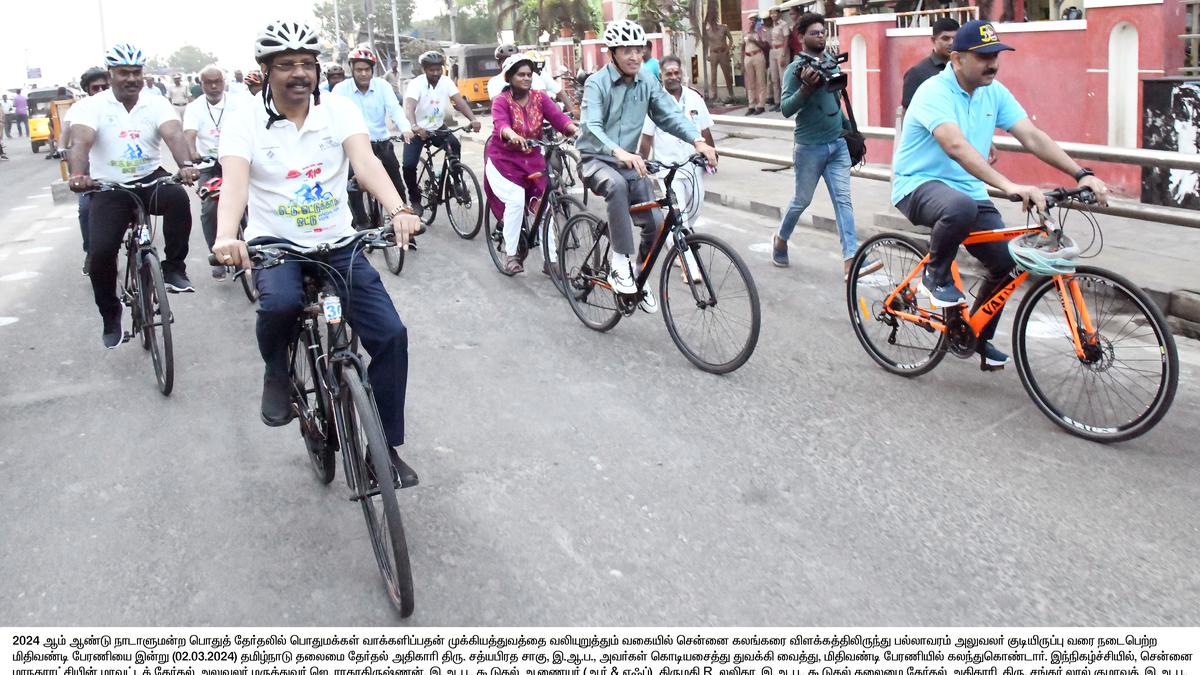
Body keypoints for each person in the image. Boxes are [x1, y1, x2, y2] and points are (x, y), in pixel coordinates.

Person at [210, 20, 422, 486]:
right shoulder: (244, 117)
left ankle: (382, 451)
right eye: (286, 65)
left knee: (390, 335)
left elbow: (365, 163)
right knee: (282, 305)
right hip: (277, 246)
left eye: (307, 63)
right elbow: (236, 183)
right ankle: (276, 372)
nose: (298, 73)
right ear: (266, 70)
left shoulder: (339, 109)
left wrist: (399, 208)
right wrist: (228, 235)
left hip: (338, 242)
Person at [892, 20, 1110, 368]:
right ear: (959, 58)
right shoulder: (934, 91)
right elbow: (955, 146)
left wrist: (1080, 174)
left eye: (996, 55)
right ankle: (935, 274)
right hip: (917, 184)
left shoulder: (993, 91)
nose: (992, 63)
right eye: (983, 57)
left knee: (1007, 262)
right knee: (959, 208)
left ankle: (975, 336)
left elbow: (1032, 136)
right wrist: (1009, 185)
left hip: (968, 190)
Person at [576, 19, 718, 312]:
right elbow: (592, 127)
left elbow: (668, 115)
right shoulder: (596, 83)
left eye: (638, 50)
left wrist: (697, 141)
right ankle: (620, 264)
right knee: (616, 186)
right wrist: (618, 151)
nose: (633, 56)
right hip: (596, 159)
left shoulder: (647, 81)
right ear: (612, 53)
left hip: (631, 163)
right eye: (626, 50)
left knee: (655, 224)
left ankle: (638, 275)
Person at [67, 43, 200, 348]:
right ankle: (110, 314)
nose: (131, 79)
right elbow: (81, 143)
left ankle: (174, 268)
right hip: (108, 187)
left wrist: (186, 165)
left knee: (179, 198)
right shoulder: (92, 106)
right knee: (101, 254)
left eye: (136, 73)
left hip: (149, 179)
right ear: (111, 74)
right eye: (124, 73)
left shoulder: (156, 103)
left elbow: (173, 135)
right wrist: (78, 175)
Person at [770, 13, 864, 279]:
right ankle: (780, 238)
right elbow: (786, 108)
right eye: (814, 32)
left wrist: (849, 130)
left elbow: (835, 100)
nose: (820, 35)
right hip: (809, 147)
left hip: (837, 145)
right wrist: (805, 91)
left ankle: (850, 261)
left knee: (843, 201)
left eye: (822, 31)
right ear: (801, 38)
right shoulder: (795, 69)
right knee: (801, 200)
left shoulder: (831, 62)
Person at [484, 53, 579, 274]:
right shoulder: (501, 100)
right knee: (516, 201)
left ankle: (551, 261)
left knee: (544, 207)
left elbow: (558, 118)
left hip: (532, 160)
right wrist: (511, 135)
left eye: (529, 74)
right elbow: (501, 125)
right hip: (504, 162)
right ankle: (511, 254)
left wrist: (574, 130)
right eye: (521, 75)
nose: (526, 78)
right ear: (509, 77)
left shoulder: (540, 98)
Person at [333, 45, 411, 229]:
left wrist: (405, 128)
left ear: (372, 70)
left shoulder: (382, 86)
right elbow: (332, 116)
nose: (363, 74)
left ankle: (402, 222)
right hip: (354, 149)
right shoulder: (340, 90)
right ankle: (362, 224)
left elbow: (394, 109)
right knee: (352, 188)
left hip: (380, 143)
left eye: (367, 69)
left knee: (397, 185)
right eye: (359, 69)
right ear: (351, 69)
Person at [639, 55, 715, 233]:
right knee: (681, 218)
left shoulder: (694, 97)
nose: (673, 76)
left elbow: (705, 130)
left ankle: (671, 239)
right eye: (668, 73)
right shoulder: (654, 102)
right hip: (669, 170)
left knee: (695, 209)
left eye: (676, 72)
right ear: (661, 76)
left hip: (693, 167)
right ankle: (685, 258)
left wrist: (712, 154)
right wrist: (641, 164)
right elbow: (647, 139)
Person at [401, 50, 481, 215]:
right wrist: (414, 126)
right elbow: (409, 106)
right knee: (408, 165)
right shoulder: (416, 84)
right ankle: (415, 200)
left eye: (439, 69)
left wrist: (473, 119)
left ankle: (455, 180)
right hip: (417, 129)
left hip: (438, 126)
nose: (436, 73)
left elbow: (459, 102)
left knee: (454, 145)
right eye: (432, 69)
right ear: (424, 69)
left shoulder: (446, 82)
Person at [183, 65, 237, 280]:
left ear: (224, 82)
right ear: (201, 84)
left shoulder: (238, 103)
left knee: (255, 201)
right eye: (208, 82)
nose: (214, 86)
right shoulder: (195, 108)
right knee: (209, 208)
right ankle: (217, 256)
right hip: (207, 164)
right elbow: (189, 134)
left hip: (236, 161)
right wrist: (192, 153)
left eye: (218, 81)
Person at [59, 66, 111, 274]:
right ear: (87, 90)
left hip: (119, 166)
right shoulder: (79, 109)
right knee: (86, 209)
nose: (100, 91)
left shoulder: (121, 105)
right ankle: (91, 252)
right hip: (89, 167)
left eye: (104, 87)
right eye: (95, 87)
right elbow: (66, 132)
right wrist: (63, 148)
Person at [486, 44, 578, 118]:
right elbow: (498, 107)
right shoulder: (494, 82)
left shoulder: (534, 76)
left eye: (514, 59)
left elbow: (544, 99)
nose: (511, 62)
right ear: (499, 64)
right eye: (507, 60)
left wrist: (566, 121)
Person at [901, 18, 959, 112]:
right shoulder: (917, 73)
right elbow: (908, 113)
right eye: (945, 38)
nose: (951, 43)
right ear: (933, 40)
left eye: (955, 38)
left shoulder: (963, 69)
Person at [704, 15, 735, 103]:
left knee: (727, 74)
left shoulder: (723, 28)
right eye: (710, 21)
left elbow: (731, 40)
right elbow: (706, 44)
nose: (711, 22)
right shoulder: (707, 31)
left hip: (723, 53)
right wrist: (707, 54)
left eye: (713, 20)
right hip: (713, 54)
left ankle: (731, 94)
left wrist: (727, 50)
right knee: (713, 76)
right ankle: (714, 95)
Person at [742, 14, 768, 116]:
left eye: (753, 21)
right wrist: (742, 60)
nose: (751, 23)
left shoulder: (760, 31)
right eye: (750, 21)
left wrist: (755, 41)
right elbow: (742, 47)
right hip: (748, 57)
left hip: (758, 55)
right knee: (751, 83)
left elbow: (764, 46)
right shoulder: (745, 33)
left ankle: (761, 105)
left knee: (761, 81)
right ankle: (751, 105)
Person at [767, 7, 790, 111]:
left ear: (779, 14)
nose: (773, 15)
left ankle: (785, 101)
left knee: (782, 77)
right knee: (774, 78)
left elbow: (786, 39)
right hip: (772, 51)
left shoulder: (783, 24)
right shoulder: (771, 26)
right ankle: (777, 102)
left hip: (781, 49)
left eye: (774, 13)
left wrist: (784, 54)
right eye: (771, 14)